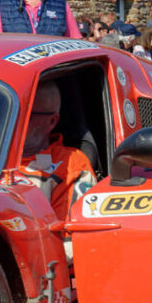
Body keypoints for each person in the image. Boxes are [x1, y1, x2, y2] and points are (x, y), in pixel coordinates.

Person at [20, 81, 95, 218]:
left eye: (26, 116)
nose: (16, 121)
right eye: (12, 112)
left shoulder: (71, 166)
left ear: (51, 121)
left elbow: (68, 235)